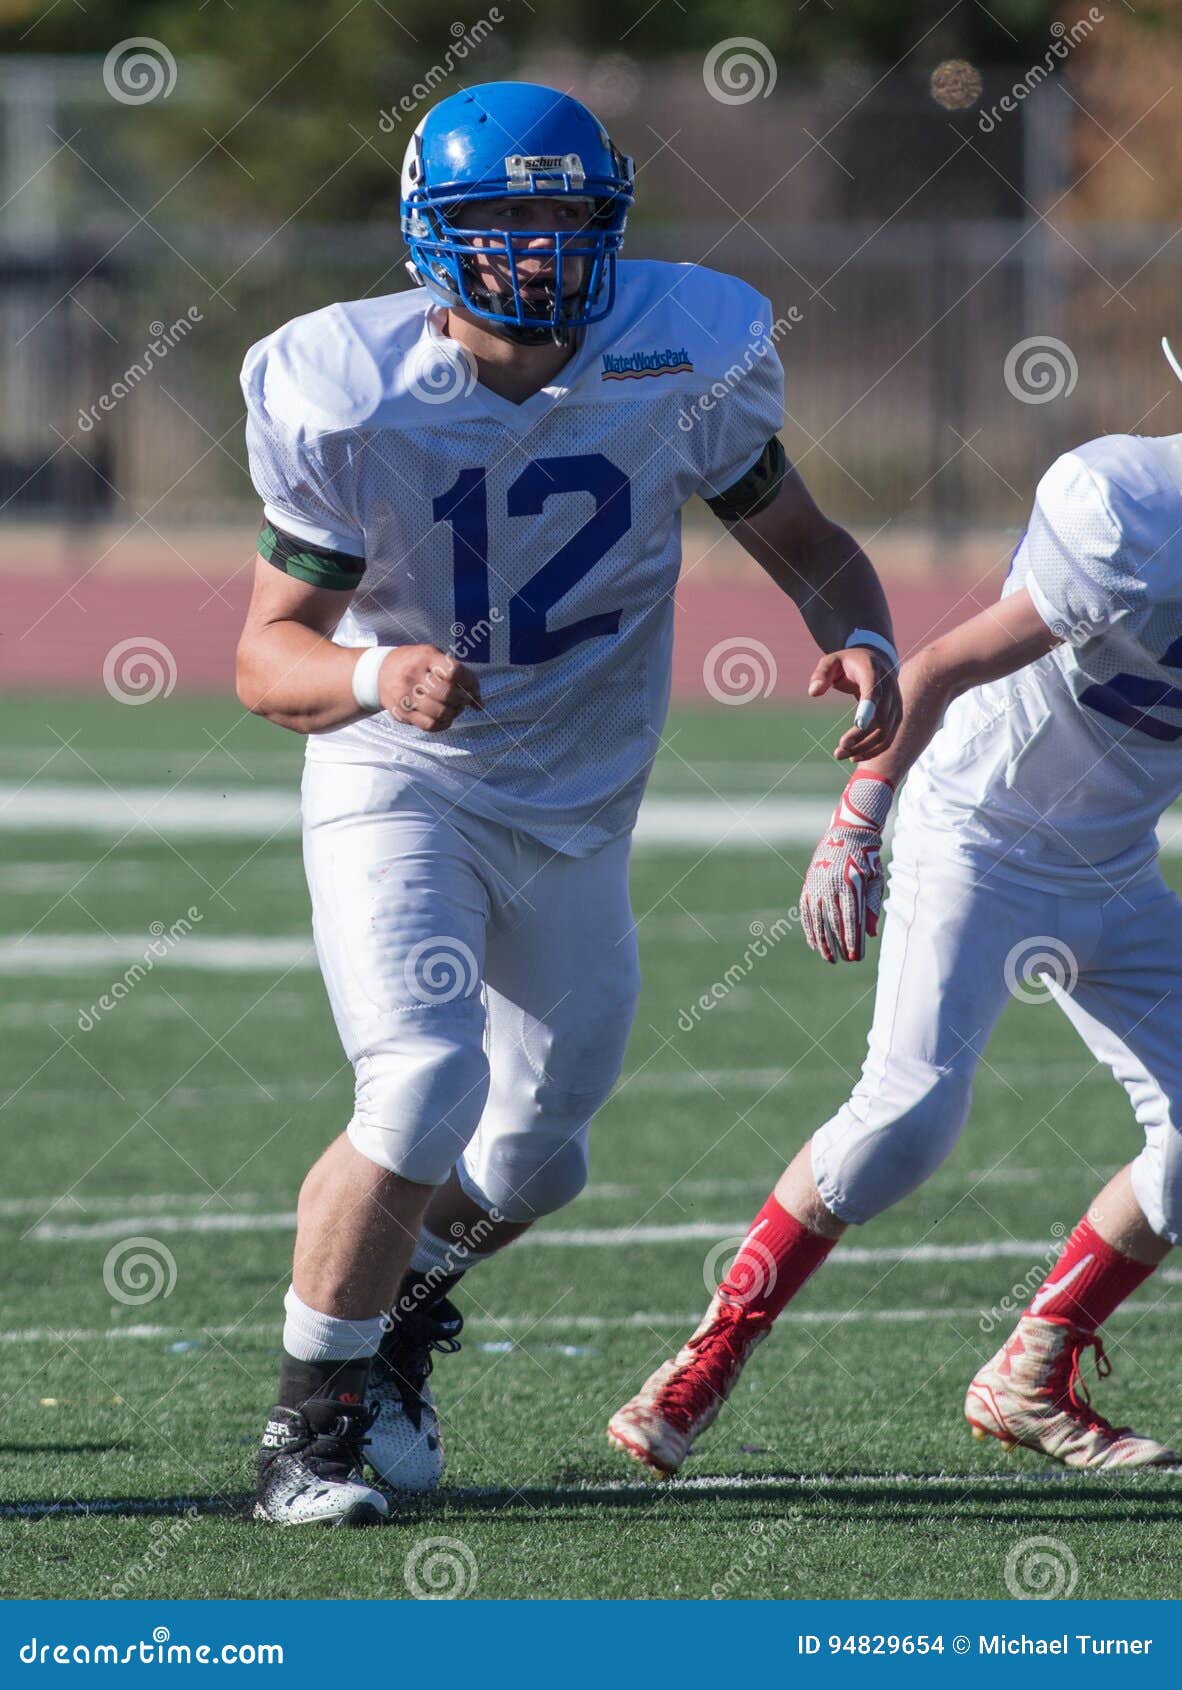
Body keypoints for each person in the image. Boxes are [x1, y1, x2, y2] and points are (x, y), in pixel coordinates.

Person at [235, 80, 901, 1525]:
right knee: (418, 1084)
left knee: (544, 1149)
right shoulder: (344, 384)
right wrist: (375, 675)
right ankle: (308, 1434)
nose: (536, 250)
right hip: (402, 780)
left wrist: (858, 634)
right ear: (430, 234)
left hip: (582, 805)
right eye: (500, 218)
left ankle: (397, 1301)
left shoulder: (685, 344)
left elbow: (809, 542)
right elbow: (263, 656)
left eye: (563, 215)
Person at [609, 423, 1182, 1476]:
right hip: (982, 838)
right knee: (909, 1116)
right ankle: (711, 1353)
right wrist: (858, 819)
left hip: (1115, 865)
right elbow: (943, 665)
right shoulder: (1132, 510)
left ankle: (1030, 1373)